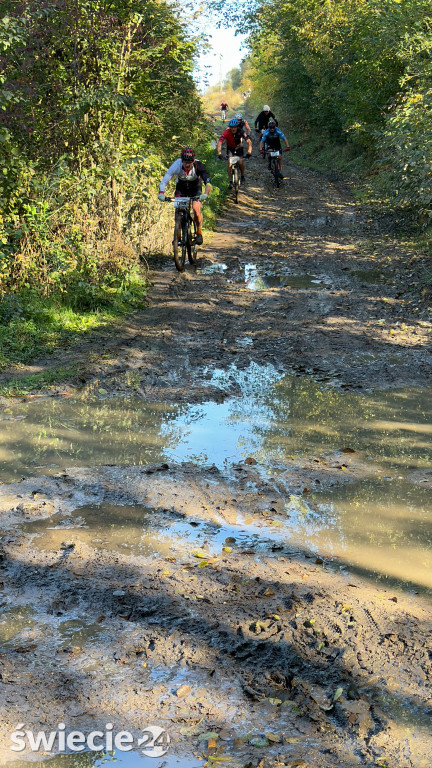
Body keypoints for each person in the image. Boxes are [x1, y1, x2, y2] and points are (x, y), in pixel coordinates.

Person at [158, 147, 211, 245]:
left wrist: (205, 194)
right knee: (179, 210)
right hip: (181, 187)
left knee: (196, 208)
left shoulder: (198, 165)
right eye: (185, 162)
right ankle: (178, 235)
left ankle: (199, 232)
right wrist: (161, 193)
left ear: (193, 161)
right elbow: (164, 181)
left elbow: (208, 182)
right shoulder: (176, 165)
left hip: (195, 187)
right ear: (181, 160)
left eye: (189, 162)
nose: (187, 165)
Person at [216, 118, 252, 187]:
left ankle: (242, 176)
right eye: (231, 127)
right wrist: (219, 153)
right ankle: (230, 181)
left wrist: (249, 152)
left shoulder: (241, 131)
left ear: (237, 127)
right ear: (229, 127)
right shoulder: (226, 133)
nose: (233, 129)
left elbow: (249, 142)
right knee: (229, 164)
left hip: (239, 148)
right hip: (230, 149)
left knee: (240, 162)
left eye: (235, 127)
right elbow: (219, 143)